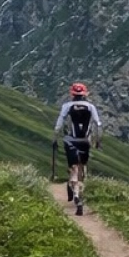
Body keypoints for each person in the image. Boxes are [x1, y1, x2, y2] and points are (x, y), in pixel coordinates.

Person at [53, 83, 101, 214]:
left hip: (71, 140)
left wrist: (55, 138)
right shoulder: (91, 107)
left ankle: (75, 193)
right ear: (85, 94)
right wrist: (98, 140)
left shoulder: (67, 106)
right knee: (82, 166)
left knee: (73, 167)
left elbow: (59, 124)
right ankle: (80, 192)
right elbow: (97, 124)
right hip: (85, 141)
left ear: (72, 94)